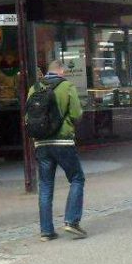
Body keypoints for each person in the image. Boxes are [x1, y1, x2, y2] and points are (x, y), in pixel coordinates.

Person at [30, 58, 86, 240]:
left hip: (41, 143)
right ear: (61, 70)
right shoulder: (66, 86)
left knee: (45, 185)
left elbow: (28, 116)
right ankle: (71, 221)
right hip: (62, 142)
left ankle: (46, 231)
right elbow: (77, 113)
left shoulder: (34, 88)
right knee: (77, 178)